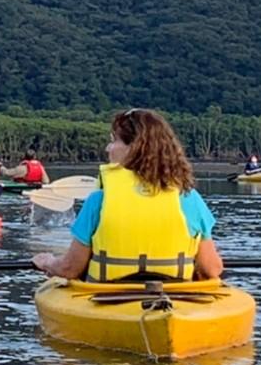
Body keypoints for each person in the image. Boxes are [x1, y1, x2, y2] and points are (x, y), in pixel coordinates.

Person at [34, 108, 222, 281]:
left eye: (114, 140)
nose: (108, 148)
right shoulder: (189, 198)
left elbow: (69, 269)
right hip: (174, 296)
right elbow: (211, 269)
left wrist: (48, 262)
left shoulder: (98, 201)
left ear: (135, 147)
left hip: (108, 298)